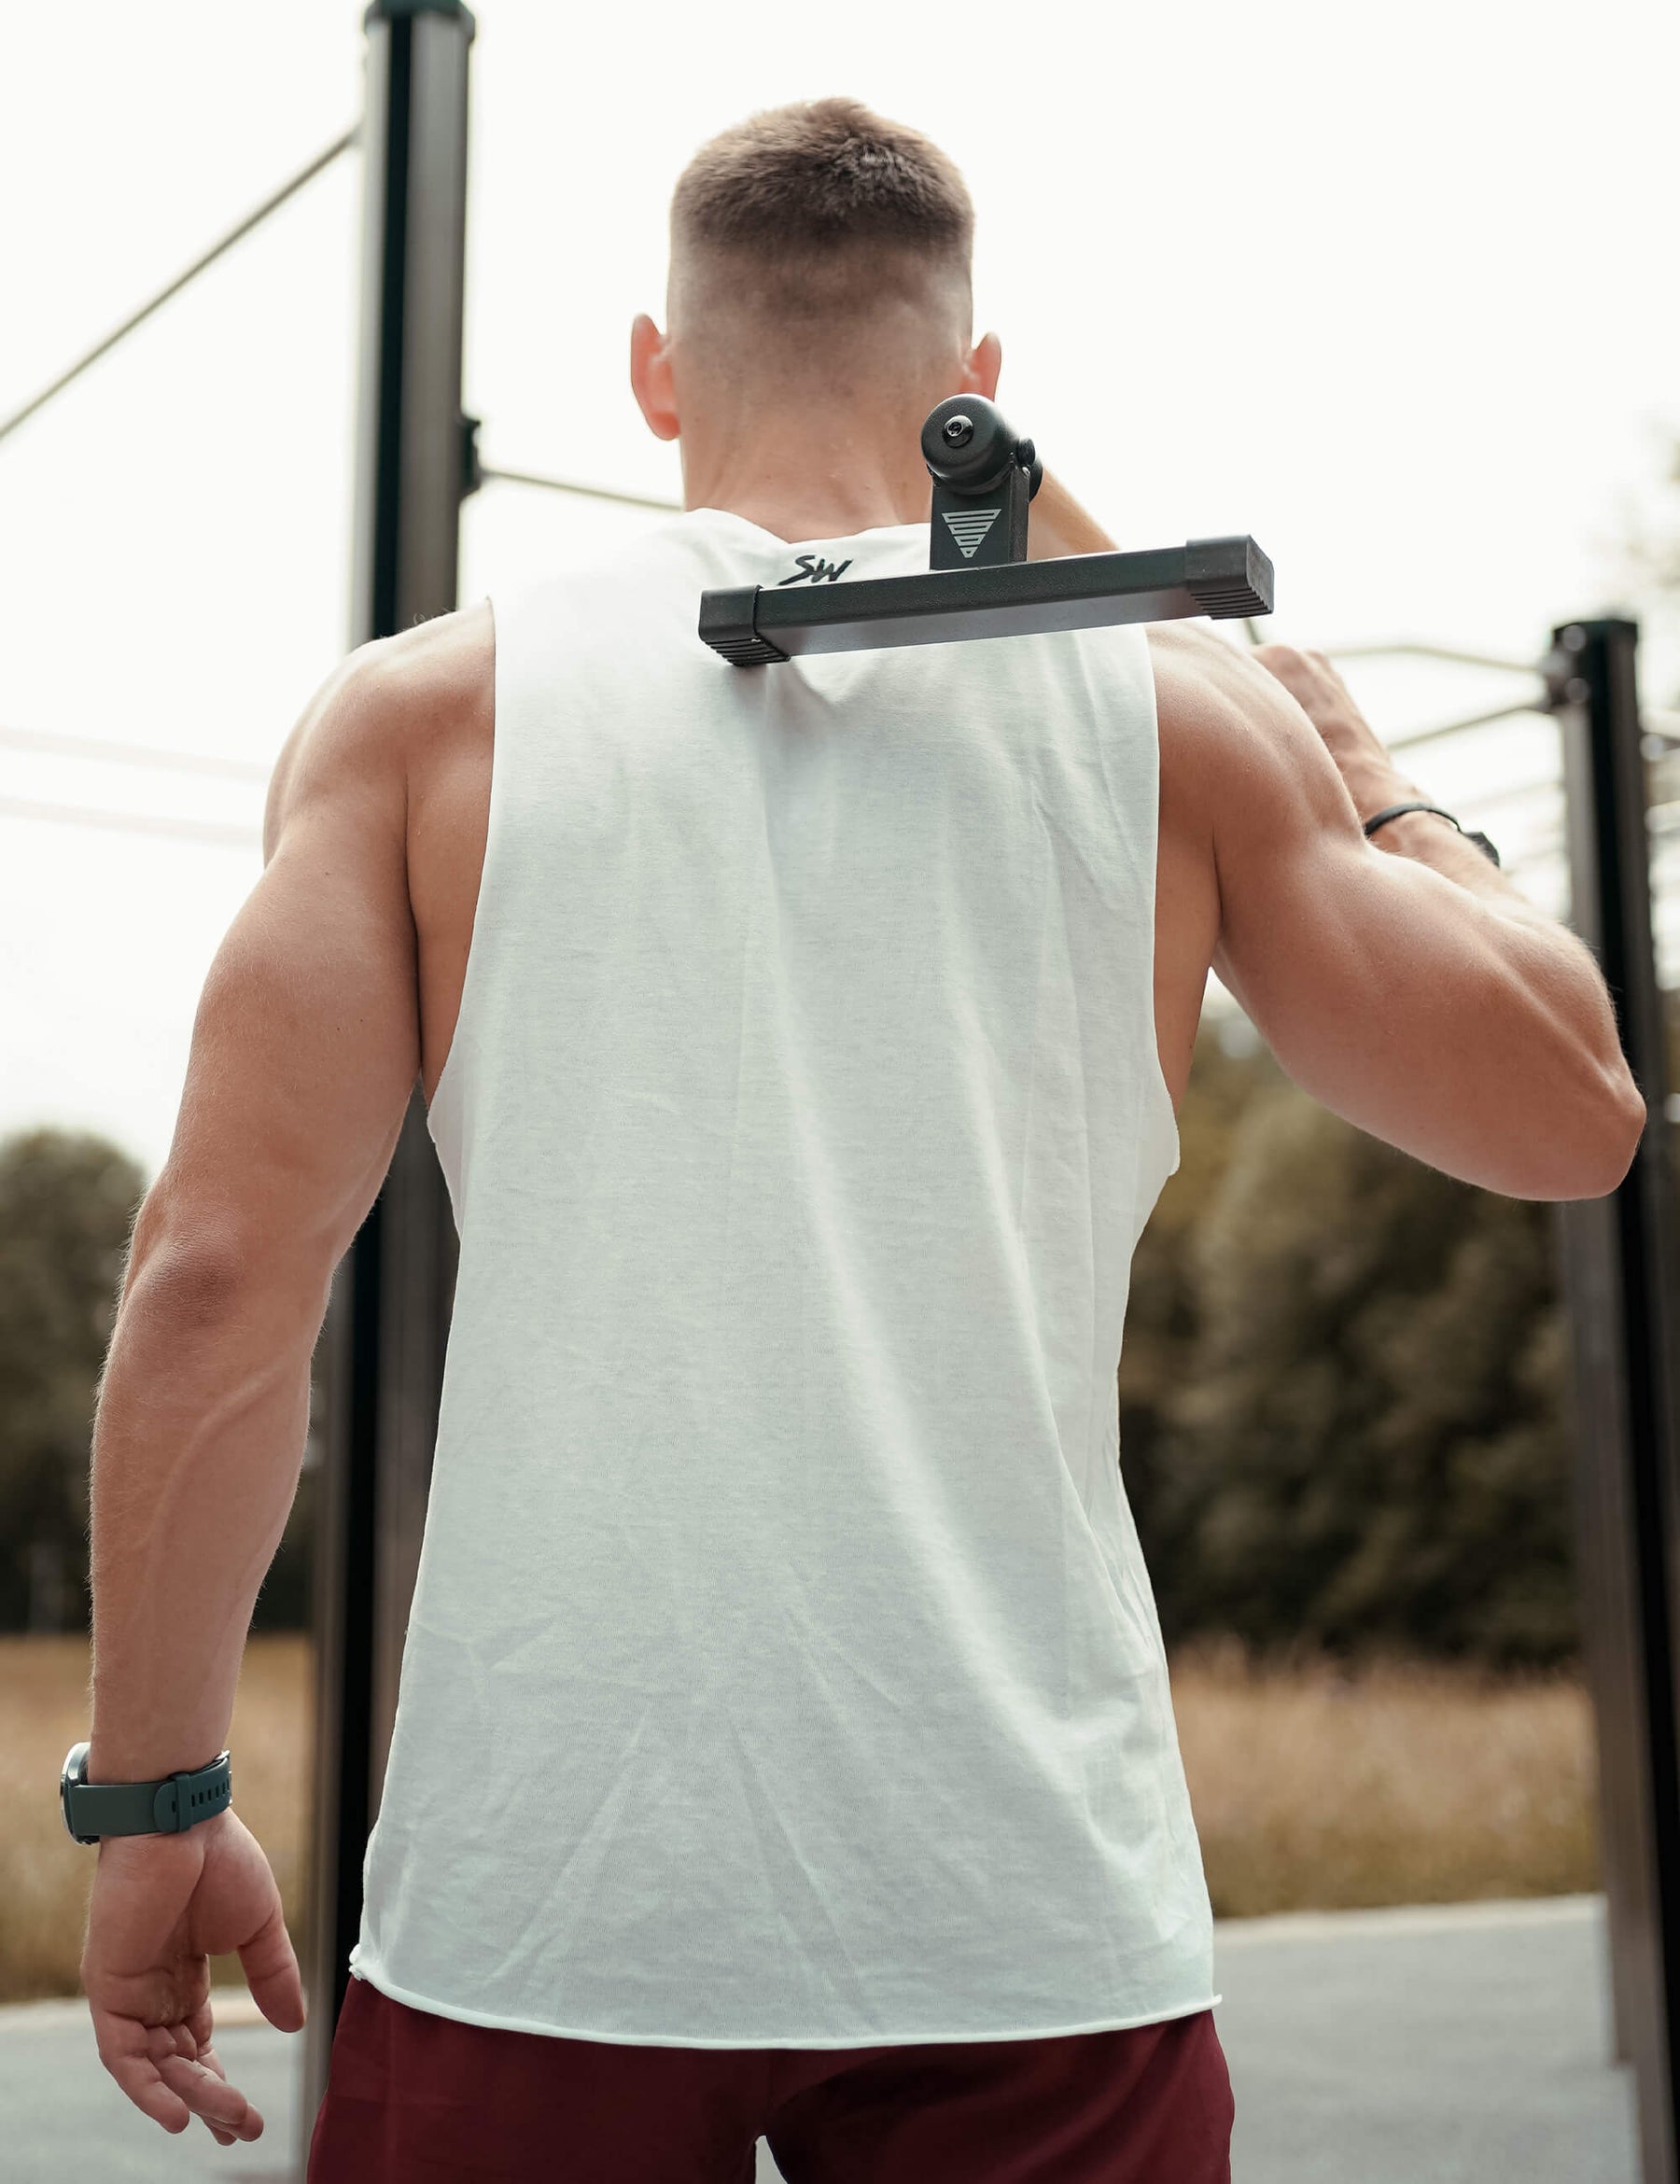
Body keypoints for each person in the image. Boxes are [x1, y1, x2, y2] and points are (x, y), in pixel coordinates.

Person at [72, 96, 1644, 2184]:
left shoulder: (423, 719)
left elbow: (214, 1283)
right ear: (973, 388)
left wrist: (155, 1802)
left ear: (653, 369)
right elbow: (1576, 1115)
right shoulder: (1182, 718)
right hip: (1024, 1923)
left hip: (552, 1912)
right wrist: (1366, 784)